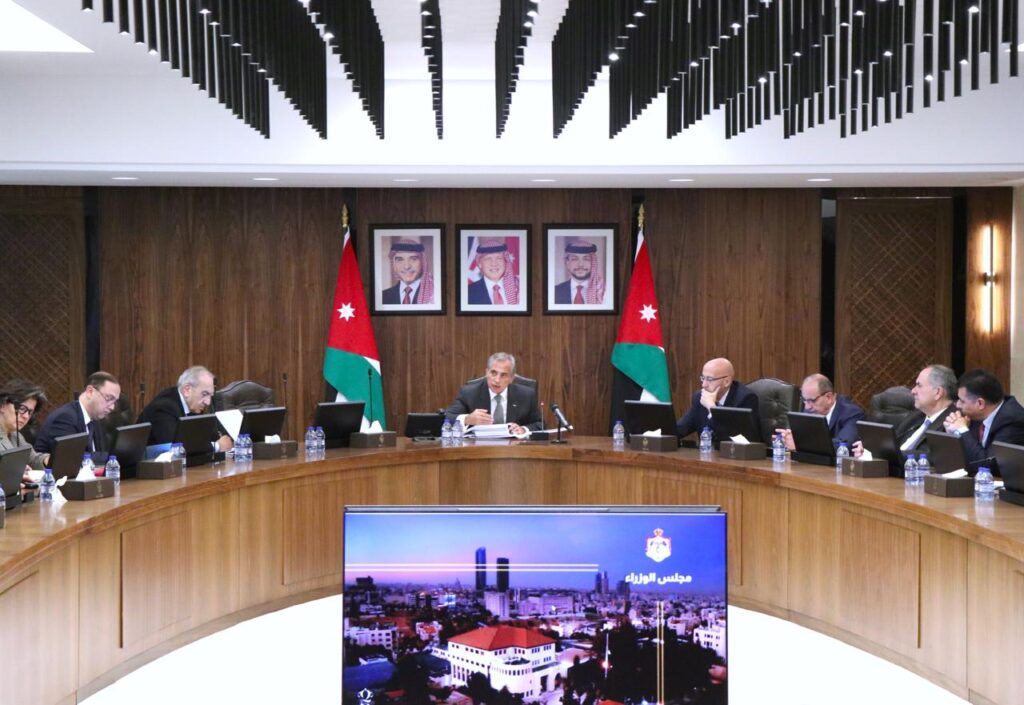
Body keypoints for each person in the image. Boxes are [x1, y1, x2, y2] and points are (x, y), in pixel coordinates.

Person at [853, 365, 957, 458]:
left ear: (937, 392)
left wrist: (880, 452)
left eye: (919, 385)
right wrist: (871, 448)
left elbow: (932, 457)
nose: (913, 391)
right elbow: (894, 444)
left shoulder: (952, 422)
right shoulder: (916, 416)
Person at [137, 366, 233, 450]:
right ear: (187, 390)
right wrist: (216, 446)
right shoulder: (164, 407)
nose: (208, 402)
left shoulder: (194, 406)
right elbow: (175, 448)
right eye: (204, 394)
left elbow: (210, 437)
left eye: (210, 396)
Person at [446, 352, 542, 434]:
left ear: (511, 379)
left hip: (513, 447)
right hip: (479, 447)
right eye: (493, 373)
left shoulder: (526, 395)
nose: (497, 380)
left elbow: (540, 424)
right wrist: (467, 419)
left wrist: (523, 429)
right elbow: (448, 418)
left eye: (503, 375)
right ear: (487, 372)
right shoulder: (469, 393)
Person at [943, 368, 1024, 464]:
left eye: (962, 401)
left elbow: (986, 464)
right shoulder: (976, 415)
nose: (958, 405)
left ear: (980, 403)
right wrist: (954, 435)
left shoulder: (1012, 421)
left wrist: (962, 430)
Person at [33, 371, 121, 460]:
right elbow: (70, 457)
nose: (112, 407)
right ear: (90, 392)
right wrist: (111, 458)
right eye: (109, 398)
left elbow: (99, 453)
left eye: (115, 401)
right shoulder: (65, 417)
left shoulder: (96, 418)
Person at [675, 358, 760, 441]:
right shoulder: (700, 397)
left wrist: (711, 407)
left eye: (709, 379)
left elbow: (736, 438)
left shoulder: (745, 398)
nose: (704, 385)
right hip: (706, 450)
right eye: (703, 378)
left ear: (726, 381)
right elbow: (679, 430)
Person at [778, 373, 865, 450]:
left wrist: (800, 444)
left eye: (812, 401)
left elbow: (843, 445)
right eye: (805, 400)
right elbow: (804, 437)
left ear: (829, 397)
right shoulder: (810, 410)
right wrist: (789, 437)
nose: (807, 406)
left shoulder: (852, 413)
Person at [0, 379, 49, 471]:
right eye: (22, 408)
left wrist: (49, 459)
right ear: (2, 405)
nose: (26, 416)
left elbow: (33, 460)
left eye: (30, 412)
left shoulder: (15, 435)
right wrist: (15, 472)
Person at [381, 238, 434, 305]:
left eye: (413, 259)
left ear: (423, 262)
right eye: (400, 260)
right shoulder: (383, 297)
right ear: (393, 264)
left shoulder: (434, 295)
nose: (407, 266)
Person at [468, 239, 519, 305]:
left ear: (505, 262)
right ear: (480, 264)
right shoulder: (468, 293)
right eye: (488, 258)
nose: (494, 263)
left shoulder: (519, 289)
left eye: (499, 258)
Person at [554, 239, 605, 305]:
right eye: (574, 259)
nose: (580, 264)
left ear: (593, 263)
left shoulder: (603, 291)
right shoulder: (555, 292)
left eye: (586, 259)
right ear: (567, 263)